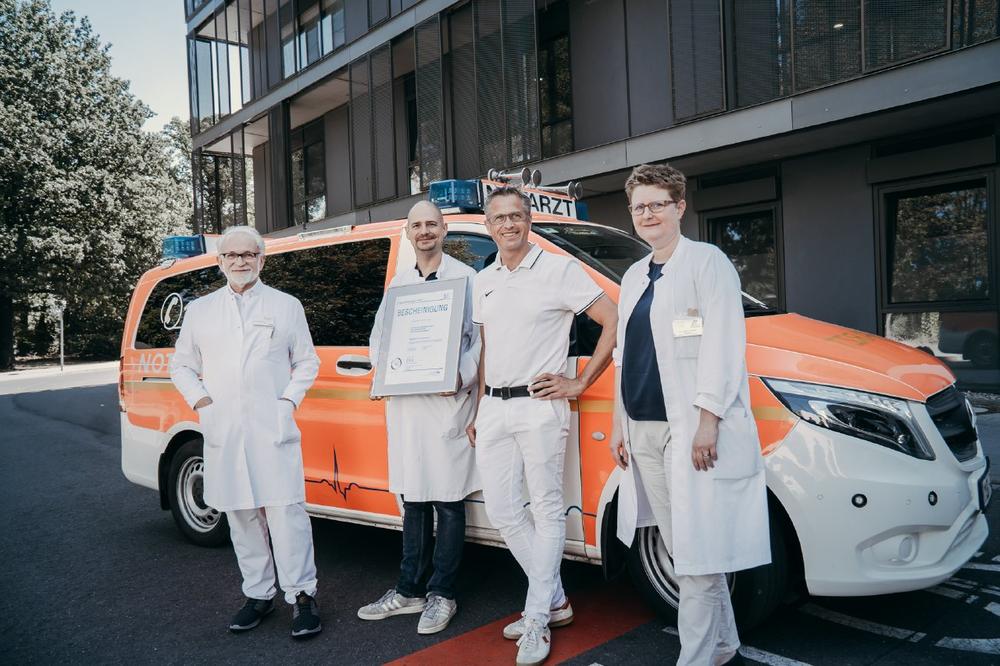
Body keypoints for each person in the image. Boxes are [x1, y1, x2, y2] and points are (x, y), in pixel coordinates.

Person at [610, 164, 770, 665]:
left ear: (680, 207)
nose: (647, 214)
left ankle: (696, 656)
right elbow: (623, 357)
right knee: (683, 548)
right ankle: (722, 645)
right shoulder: (634, 276)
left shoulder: (707, 262)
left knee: (697, 551)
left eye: (657, 204)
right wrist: (619, 424)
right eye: (639, 207)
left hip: (688, 429)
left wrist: (708, 421)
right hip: (642, 428)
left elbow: (723, 344)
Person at [468, 186, 618, 666]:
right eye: (499, 218)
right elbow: (487, 347)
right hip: (494, 407)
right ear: (489, 226)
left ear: (528, 220)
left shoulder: (559, 270)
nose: (508, 225)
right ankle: (553, 599)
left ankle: (537, 617)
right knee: (503, 510)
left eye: (516, 216)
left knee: (548, 510)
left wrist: (580, 382)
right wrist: (478, 406)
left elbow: (612, 318)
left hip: (539, 405)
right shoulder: (483, 279)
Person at [169, 225, 323, 639]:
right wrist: (202, 402)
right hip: (224, 428)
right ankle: (258, 594)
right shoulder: (201, 311)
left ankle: (302, 595)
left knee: (286, 513)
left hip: (273, 427)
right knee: (240, 514)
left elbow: (307, 362)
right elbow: (181, 365)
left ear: (261, 260)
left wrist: (287, 402)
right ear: (220, 262)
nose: (240, 261)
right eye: (232, 255)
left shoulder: (286, 306)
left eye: (248, 254)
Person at [358, 201, 481, 634]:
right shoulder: (399, 283)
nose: (425, 231)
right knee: (413, 498)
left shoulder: (466, 279)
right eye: (417, 225)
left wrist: (460, 375)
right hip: (408, 406)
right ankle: (408, 590)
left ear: (444, 230)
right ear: (408, 233)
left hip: (447, 404)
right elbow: (380, 339)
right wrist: (386, 372)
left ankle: (442, 593)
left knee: (448, 500)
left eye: (432, 224)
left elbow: (480, 342)